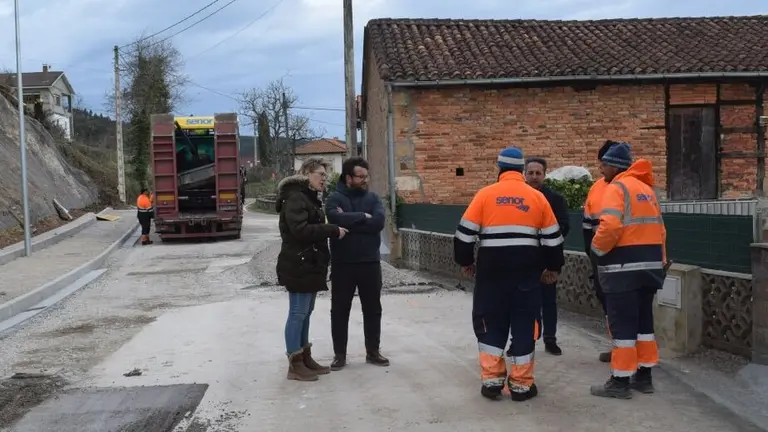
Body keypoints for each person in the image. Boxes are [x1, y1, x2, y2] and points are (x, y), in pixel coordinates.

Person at [454, 146, 565, 402]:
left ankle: (492, 382)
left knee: (491, 323)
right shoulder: (537, 198)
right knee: (525, 325)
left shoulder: (484, 195)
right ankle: (521, 386)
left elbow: (463, 236)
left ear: (500, 168)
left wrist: (466, 262)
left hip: (491, 275)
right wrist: (553, 268)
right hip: (526, 276)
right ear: (521, 170)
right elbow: (553, 240)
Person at [588, 142, 667, 399]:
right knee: (644, 325)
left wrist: (596, 252)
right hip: (650, 268)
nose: (601, 169)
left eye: (604, 164)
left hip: (623, 270)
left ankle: (620, 382)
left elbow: (610, 226)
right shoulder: (646, 190)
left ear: (614, 166)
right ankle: (644, 377)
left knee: (622, 326)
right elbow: (661, 231)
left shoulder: (616, 188)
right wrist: (661, 263)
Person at [275, 157, 348, 382]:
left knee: (305, 313)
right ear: (307, 173)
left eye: (326, 175)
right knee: (297, 313)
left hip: (309, 263)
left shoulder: (308, 197)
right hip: (298, 263)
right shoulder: (296, 197)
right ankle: (294, 365)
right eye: (320, 175)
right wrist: (332, 229)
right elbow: (300, 230)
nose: (324, 179)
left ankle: (305, 359)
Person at [325, 157, 390, 370]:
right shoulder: (334, 198)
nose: (365, 180)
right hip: (343, 264)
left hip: (370, 263)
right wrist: (363, 216)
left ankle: (373, 352)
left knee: (372, 309)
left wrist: (350, 221)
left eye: (366, 176)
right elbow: (334, 218)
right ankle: (340, 355)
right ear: (348, 177)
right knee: (339, 310)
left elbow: (379, 222)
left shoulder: (373, 198)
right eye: (360, 176)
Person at [521, 157, 570, 356]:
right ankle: (523, 339)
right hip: (523, 260)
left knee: (548, 302)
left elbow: (564, 228)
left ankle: (550, 339)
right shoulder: (519, 198)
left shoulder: (555, 199)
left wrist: (553, 262)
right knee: (522, 303)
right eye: (530, 173)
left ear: (544, 175)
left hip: (548, 259)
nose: (534, 177)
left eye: (538, 173)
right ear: (524, 174)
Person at [582, 140, 620, 363]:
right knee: (608, 305)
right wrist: (593, 255)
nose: (601, 168)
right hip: (601, 259)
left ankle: (631, 353)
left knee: (626, 307)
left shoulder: (630, 188)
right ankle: (617, 346)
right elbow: (587, 225)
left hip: (624, 258)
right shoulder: (596, 188)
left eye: (603, 164)